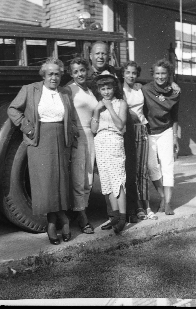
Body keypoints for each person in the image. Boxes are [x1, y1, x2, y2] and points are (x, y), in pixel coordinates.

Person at [7, 57, 79, 245]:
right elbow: (13, 109)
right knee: (45, 184)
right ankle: (53, 221)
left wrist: (71, 136)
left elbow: (71, 118)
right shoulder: (30, 89)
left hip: (61, 141)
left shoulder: (65, 92)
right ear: (44, 75)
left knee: (61, 182)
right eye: (50, 74)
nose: (54, 78)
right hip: (39, 141)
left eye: (57, 74)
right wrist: (27, 128)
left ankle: (61, 217)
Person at [91, 71, 128, 233]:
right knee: (105, 179)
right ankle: (113, 217)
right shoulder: (98, 105)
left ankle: (122, 217)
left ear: (114, 88)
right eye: (103, 89)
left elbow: (120, 125)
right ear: (99, 90)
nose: (106, 92)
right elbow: (93, 129)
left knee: (117, 179)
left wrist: (110, 108)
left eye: (109, 88)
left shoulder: (120, 103)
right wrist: (97, 111)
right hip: (100, 141)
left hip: (114, 140)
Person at [142, 59, 180, 215]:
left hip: (166, 131)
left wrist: (175, 137)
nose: (160, 76)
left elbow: (175, 116)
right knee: (152, 167)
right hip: (150, 132)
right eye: (157, 73)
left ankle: (168, 202)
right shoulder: (145, 89)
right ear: (153, 74)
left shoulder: (175, 92)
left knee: (168, 166)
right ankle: (162, 196)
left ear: (169, 74)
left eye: (163, 73)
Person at [64, 56, 98, 234]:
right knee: (78, 177)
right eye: (75, 71)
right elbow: (65, 112)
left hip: (90, 136)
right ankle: (82, 217)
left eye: (82, 70)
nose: (80, 74)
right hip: (77, 135)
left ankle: (81, 211)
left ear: (87, 70)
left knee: (89, 177)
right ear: (71, 73)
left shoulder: (90, 90)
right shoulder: (70, 90)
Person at [121, 61, 157, 221]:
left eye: (134, 73)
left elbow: (158, 86)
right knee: (131, 171)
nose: (131, 75)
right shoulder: (119, 91)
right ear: (123, 74)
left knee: (143, 170)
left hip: (142, 129)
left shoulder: (139, 88)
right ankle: (137, 206)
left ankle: (146, 205)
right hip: (127, 132)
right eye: (128, 72)